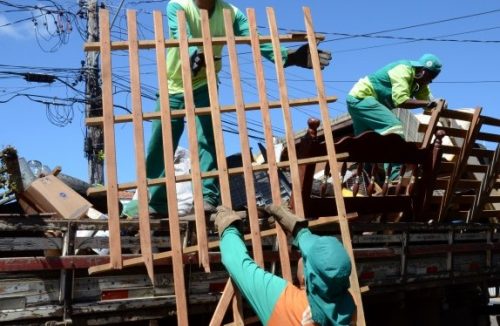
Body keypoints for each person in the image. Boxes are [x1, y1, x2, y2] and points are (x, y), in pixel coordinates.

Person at [123, 0, 332, 218]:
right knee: (162, 141)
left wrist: (288, 57)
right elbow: (179, 33)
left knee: (207, 138)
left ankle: (208, 197)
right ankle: (156, 201)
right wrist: (193, 52)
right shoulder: (178, 6)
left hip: (205, 82)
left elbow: (255, 39)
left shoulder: (230, 13)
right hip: (173, 82)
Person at [215, 204, 355, 325]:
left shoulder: (285, 305)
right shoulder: (347, 309)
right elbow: (327, 263)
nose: (302, 255)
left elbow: (238, 264)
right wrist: (299, 229)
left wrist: (229, 227)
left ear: (306, 278)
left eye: (305, 258)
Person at [346, 53, 442, 180]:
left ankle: (363, 177)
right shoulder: (403, 69)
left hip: (358, 101)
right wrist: (428, 103)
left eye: (432, 78)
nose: (429, 81)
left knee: (366, 142)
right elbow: (401, 100)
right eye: (429, 76)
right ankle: (394, 176)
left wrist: (438, 105)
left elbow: (428, 103)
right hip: (361, 97)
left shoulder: (420, 84)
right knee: (394, 128)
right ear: (423, 71)